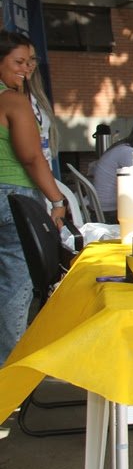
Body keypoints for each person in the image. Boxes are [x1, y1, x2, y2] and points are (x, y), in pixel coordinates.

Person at [0, 31, 68, 363]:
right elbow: (32, 157)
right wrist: (57, 200)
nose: (27, 69)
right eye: (18, 62)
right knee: (15, 287)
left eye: (30, 62)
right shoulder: (13, 101)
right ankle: (8, 373)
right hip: (13, 196)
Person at [24, 44, 59, 173]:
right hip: (23, 178)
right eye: (20, 61)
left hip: (44, 172)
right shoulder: (8, 96)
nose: (28, 64)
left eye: (32, 59)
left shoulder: (36, 96)